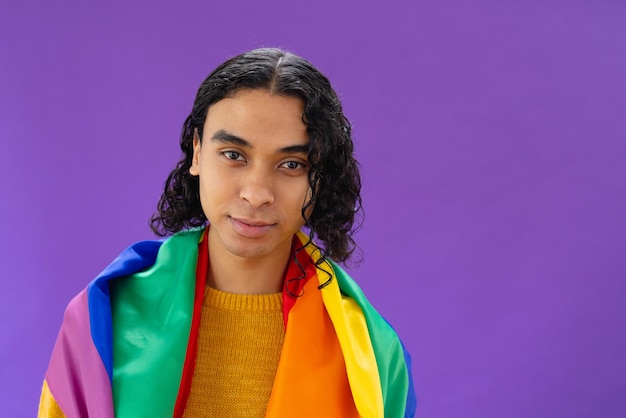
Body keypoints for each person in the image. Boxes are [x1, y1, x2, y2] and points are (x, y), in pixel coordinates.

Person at [39, 48, 416, 418]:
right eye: (234, 154)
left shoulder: (370, 354)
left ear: (320, 180)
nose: (256, 193)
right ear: (198, 152)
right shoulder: (103, 320)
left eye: (291, 164)